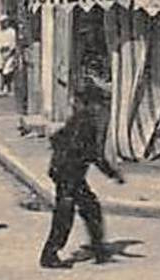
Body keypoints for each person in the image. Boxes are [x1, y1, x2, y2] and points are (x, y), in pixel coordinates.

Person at [40, 79, 124, 270]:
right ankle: (49, 254)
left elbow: (57, 138)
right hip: (69, 173)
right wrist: (111, 173)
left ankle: (98, 248)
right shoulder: (87, 121)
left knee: (90, 208)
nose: (101, 107)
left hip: (66, 171)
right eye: (100, 102)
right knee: (65, 214)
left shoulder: (79, 118)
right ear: (93, 103)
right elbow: (93, 153)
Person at [0, 16, 18, 97]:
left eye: (5, 22)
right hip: (1, 53)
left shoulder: (12, 32)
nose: (4, 24)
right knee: (0, 69)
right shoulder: (0, 32)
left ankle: (8, 88)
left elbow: (13, 44)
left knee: (7, 71)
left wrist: (9, 52)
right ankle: (2, 87)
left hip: (9, 53)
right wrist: (0, 49)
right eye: (2, 22)